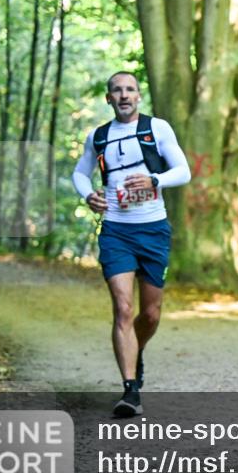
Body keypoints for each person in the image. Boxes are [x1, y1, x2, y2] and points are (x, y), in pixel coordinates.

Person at [72, 71, 191, 417]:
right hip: (116, 231)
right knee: (123, 309)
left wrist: (154, 178)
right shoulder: (99, 136)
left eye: (130, 90)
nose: (124, 95)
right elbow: (80, 173)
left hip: (153, 230)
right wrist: (88, 194)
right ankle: (130, 391)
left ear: (138, 96)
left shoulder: (157, 129)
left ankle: (134, 351)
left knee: (151, 314)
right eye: (117, 91)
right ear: (108, 98)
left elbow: (183, 171)